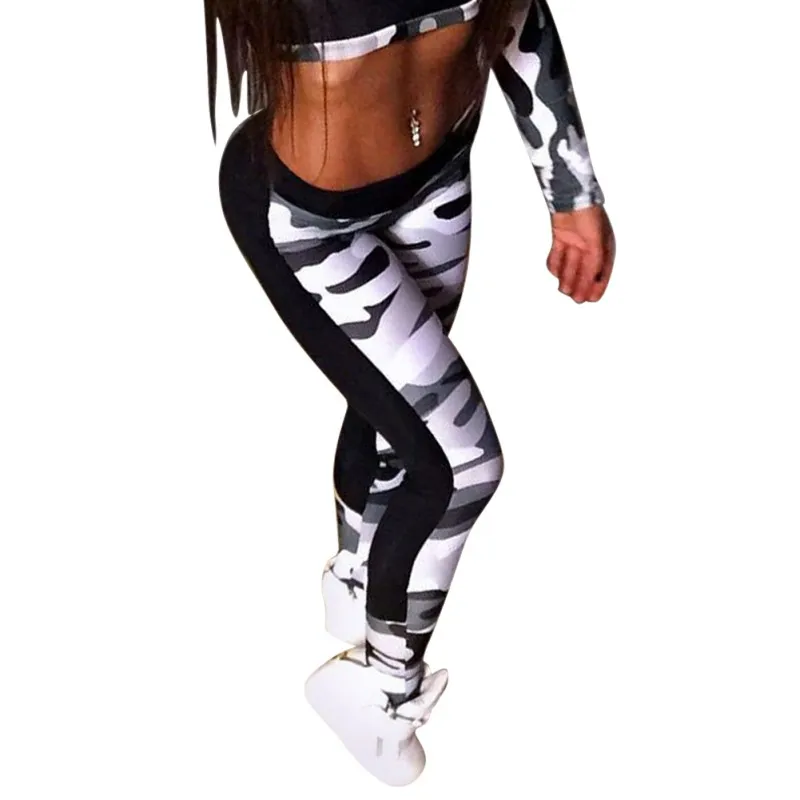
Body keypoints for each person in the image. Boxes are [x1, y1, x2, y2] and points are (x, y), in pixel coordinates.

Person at [206, 0, 616, 785]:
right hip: (309, 222)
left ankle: (358, 574)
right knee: (461, 466)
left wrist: (571, 190)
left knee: (395, 416)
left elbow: (515, 15)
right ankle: (380, 686)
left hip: (437, 178)